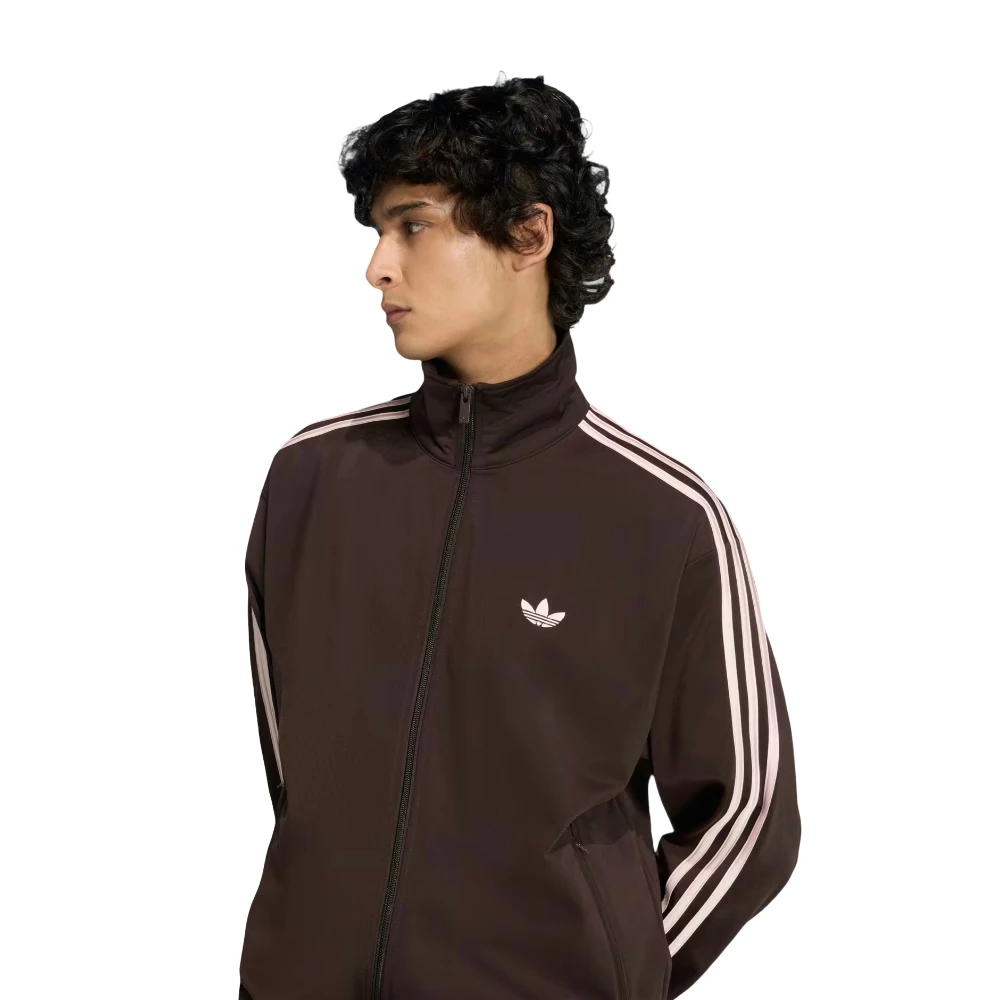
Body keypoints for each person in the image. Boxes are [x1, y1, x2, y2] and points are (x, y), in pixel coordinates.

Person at [237, 73, 800, 1000]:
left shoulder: (660, 518)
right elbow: (297, 774)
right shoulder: (312, 480)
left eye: (413, 226)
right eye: (377, 231)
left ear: (529, 237)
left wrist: (608, 969)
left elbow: (750, 816)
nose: (377, 267)